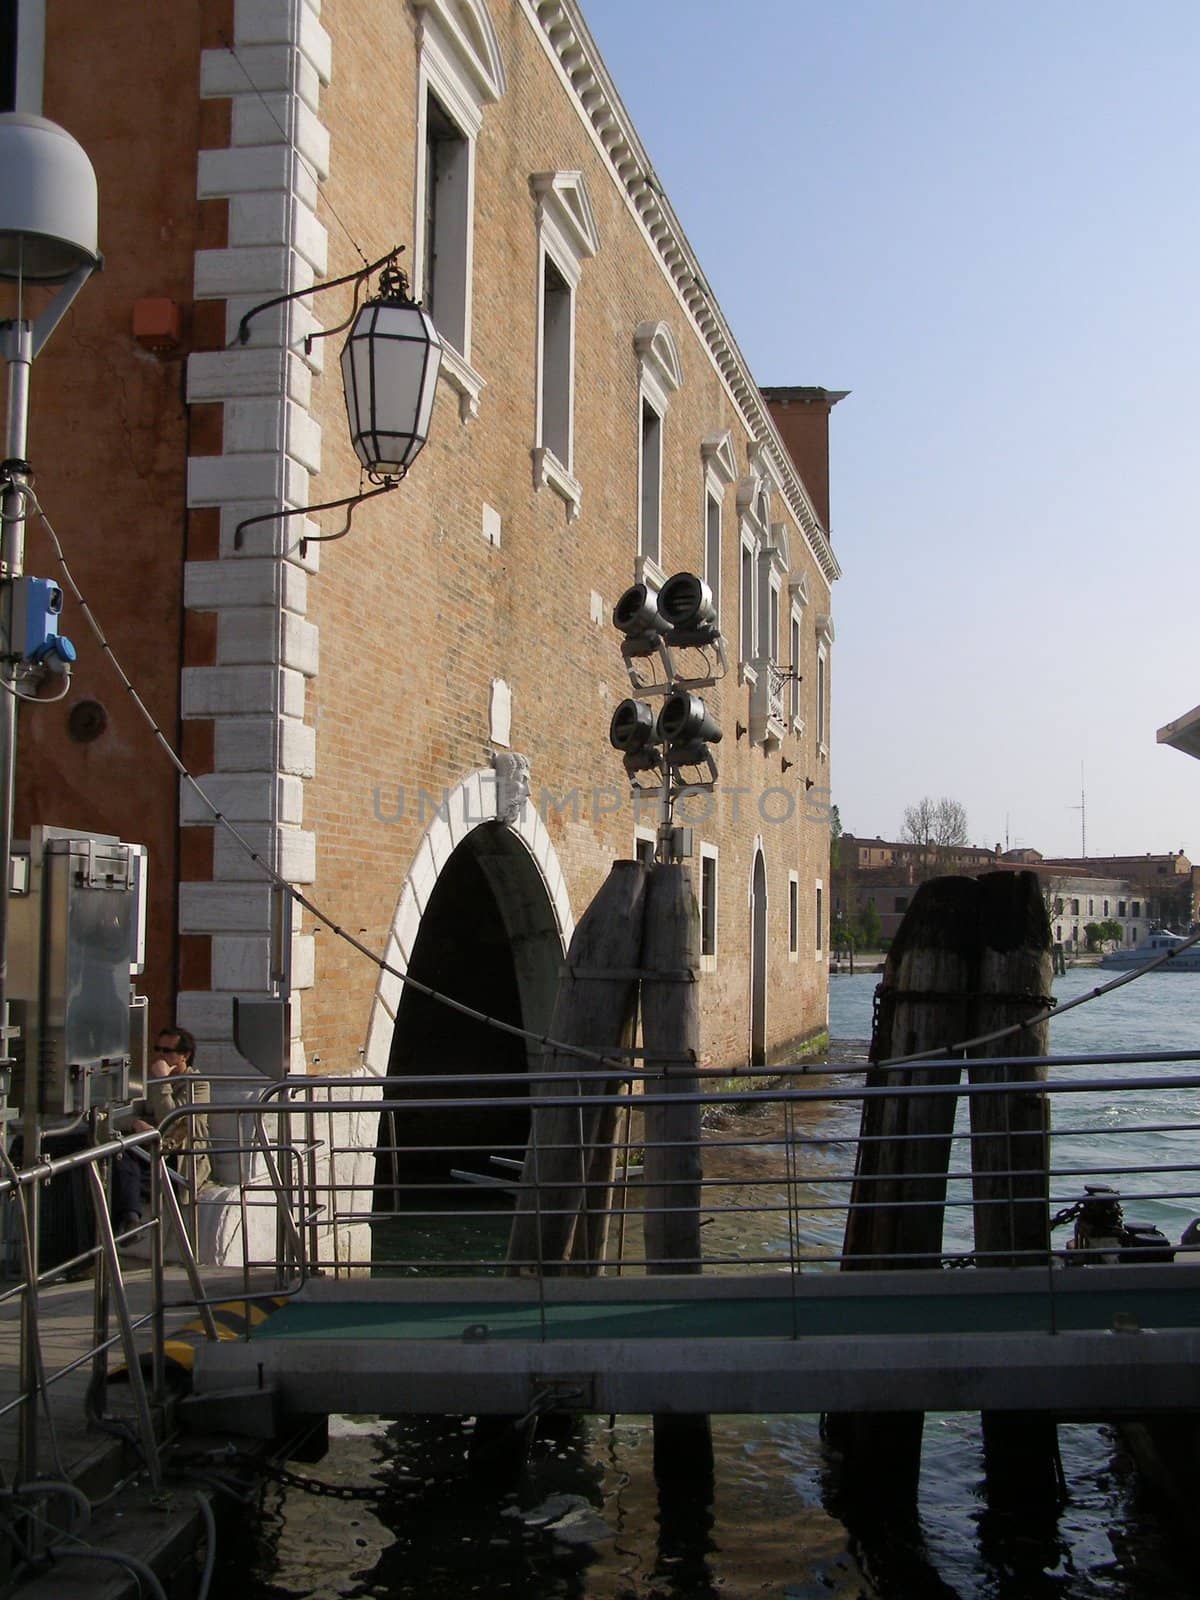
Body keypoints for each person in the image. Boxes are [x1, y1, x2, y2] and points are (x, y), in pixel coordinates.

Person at [112, 1026, 211, 1232]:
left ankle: (127, 1222)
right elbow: (122, 1116)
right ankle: (130, 1222)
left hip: (179, 1158)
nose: (160, 1056)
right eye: (157, 1049)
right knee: (119, 1160)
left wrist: (163, 1081)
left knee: (123, 1176)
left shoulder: (197, 1084)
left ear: (185, 1055)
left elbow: (172, 1119)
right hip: (149, 1152)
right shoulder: (149, 1081)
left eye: (167, 1051)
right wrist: (135, 1123)